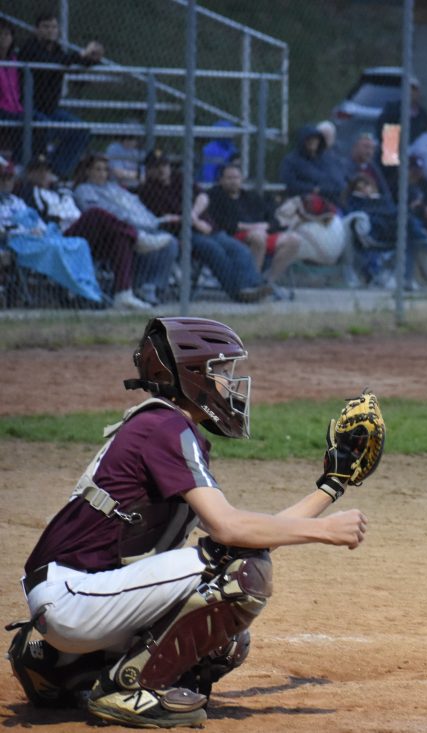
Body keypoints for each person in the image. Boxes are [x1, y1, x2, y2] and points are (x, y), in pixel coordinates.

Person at [8, 316, 368, 727]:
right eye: (220, 371)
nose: (229, 384)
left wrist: (331, 485)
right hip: (76, 598)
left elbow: (246, 532)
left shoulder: (161, 425)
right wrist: (324, 532)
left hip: (75, 595)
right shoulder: (165, 427)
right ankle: (128, 690)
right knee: (239, 576)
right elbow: (231, 531)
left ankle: (60, 669)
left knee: (224, 636)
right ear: (189, 375)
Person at [137, 149, 272, 303]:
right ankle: (239, 292)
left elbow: (202, 196)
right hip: (183, 234)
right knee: (214, 250)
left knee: (239, 250)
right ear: (148, 170)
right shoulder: (147, 190)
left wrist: (193, 215)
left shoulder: (180, 178)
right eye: (156, 167)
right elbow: (164, 218)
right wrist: (193, 222)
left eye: (165, 165)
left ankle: (253, 286)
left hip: (206, 227)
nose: (162, 170)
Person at [19, 153, 148, 309]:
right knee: (95, 213)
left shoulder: (62, 190)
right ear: (29, 174)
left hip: (83, 233)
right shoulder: (26, 193)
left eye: (46, 170)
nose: (43, 174)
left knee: (119, 238)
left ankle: (123, 294)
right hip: (60, 234)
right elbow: (33, 219)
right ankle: (138, 237)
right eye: (37, 171)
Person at [73, 154, 177, 306]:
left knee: (170, 241)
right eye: (98, 169)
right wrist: (129, 220)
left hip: (144, 225)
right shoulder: (84, 189)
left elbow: (138, 208)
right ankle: (136, 286)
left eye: (105, 170)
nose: (102, 173)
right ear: (88, 171)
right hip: (111, 232)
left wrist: (157, 221)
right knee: (134, 240)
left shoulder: (115, 188)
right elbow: (94, 213)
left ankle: (149, 287)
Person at [0, 155, 104, 307]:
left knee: (79, 244)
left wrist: (40, 229)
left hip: (38, 238)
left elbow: (37, 222)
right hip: (16, 242)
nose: (5, 182)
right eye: (2, 178)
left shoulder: (16, 201)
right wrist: (24, 231)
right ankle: (76, 292)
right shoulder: (28, 192)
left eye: (8, 178)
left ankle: (85, 291)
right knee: (55, 248)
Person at [17, 12, 104, 178]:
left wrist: (92, 57)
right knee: (44, 127)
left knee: (81, 130)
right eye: (46, 27)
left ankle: (56, 173)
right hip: (29, 107)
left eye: (54, 27)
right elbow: (51, 62)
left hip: (51, 109)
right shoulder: (29, 48)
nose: (51, 30)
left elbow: (70, 60)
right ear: (36, 30)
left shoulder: (57, 49)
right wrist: (80, 55)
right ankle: (35, 171)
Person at [205, 162, 300, 295]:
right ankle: (251, 284)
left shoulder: (250, 197)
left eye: (236, 177)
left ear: (242, 179)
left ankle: (267, 282)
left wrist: (267, 226)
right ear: (220, 180)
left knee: (293, 240)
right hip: (232, 237)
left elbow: (273, 219)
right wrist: (250, 227)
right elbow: (219, 223)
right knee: (258, 237)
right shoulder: (214, 196)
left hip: (261, 233)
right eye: (229, 178)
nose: (233, 181)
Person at [375, 75, 427, 193]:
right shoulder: (392, 109)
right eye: (408, 88)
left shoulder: (423, 115)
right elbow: (385, 134)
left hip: (414, 155)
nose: (410, 92)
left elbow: (424, 138)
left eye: (413, 89)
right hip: (393, 151)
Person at [278, 124, 345, 203]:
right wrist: (313, 189)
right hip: (305, 202)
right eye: (309, 139)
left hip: (332, 200)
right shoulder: (291, 161)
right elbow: (289, 183)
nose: (313, 141)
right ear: (302, 140)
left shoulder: (327, 160)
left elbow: (338, 180)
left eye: (315, 139)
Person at [0, 20, 23, 158]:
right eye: (1, 34)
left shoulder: (14, 59)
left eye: (7, 34)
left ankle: (25, 164)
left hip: (15, 107)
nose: (4, 37)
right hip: (2, 107)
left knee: (36, 121)